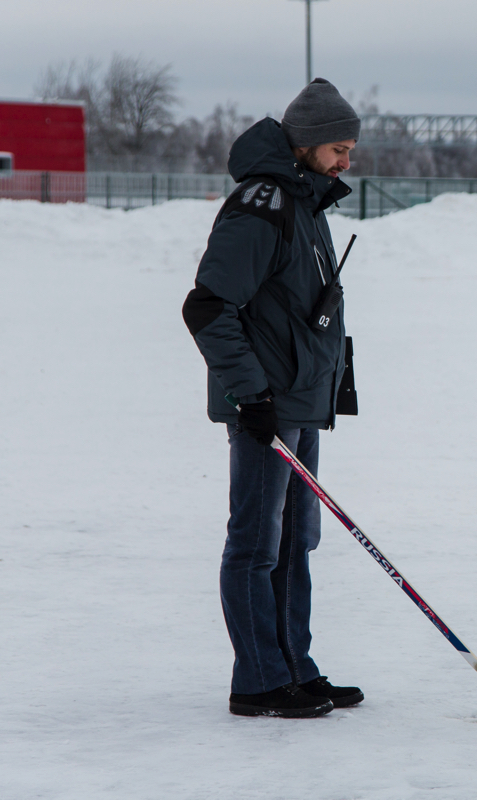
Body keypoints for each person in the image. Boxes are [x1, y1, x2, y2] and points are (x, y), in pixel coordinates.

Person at [182, 78, 362, 718]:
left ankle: (294, 667)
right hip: (267, 408)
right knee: (257, 543)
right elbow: (207, 306)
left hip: (300, 401)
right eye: (339, 149)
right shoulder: (262, 205)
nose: (347, 163)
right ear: (308, 144)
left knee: (296, 541)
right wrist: (251, 395)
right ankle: (258, 679)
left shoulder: (305, 202)